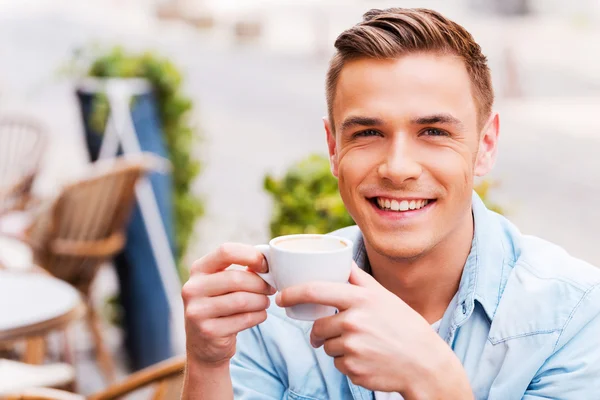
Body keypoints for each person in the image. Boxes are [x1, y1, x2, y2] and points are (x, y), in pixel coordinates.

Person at [181, 8, 600, 399]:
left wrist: (435, 380)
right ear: (333, 148)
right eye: (367, 133)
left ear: (485, 146)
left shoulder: (574, 315)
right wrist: (206, 364)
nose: (397, 168)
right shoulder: (268, 312)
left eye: (434, 131)